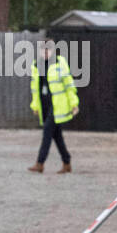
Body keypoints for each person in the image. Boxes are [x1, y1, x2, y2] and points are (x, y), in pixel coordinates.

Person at [28, 37, 80, 173]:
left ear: (53, 50)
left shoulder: (60, 64)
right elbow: (35, 88)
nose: (45, 52)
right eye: (43, 50)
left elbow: (69, 85)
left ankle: (40, 163)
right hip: (44, 105)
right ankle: (67, 162)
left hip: (57, 106)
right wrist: (35, 106)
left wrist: (74, 103)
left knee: (47, 132)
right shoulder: (35, 65)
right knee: (57, 136)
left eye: (48, 49)